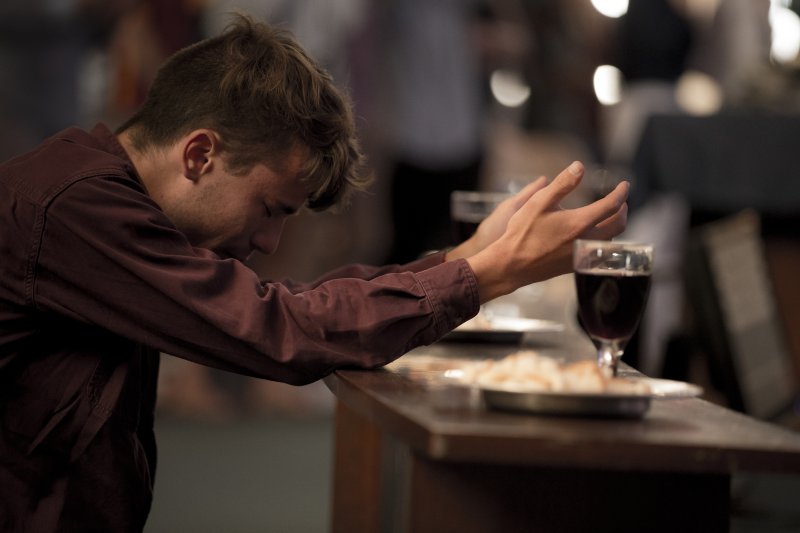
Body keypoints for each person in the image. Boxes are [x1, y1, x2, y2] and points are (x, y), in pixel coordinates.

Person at [0, 15, 628, 532]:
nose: (270, 241)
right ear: (199, 154)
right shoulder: (71, 206)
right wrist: (489, 273)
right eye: (270, 209)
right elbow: (277, 327)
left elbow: (285, 301)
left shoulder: (97, 193)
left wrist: (462, 258)